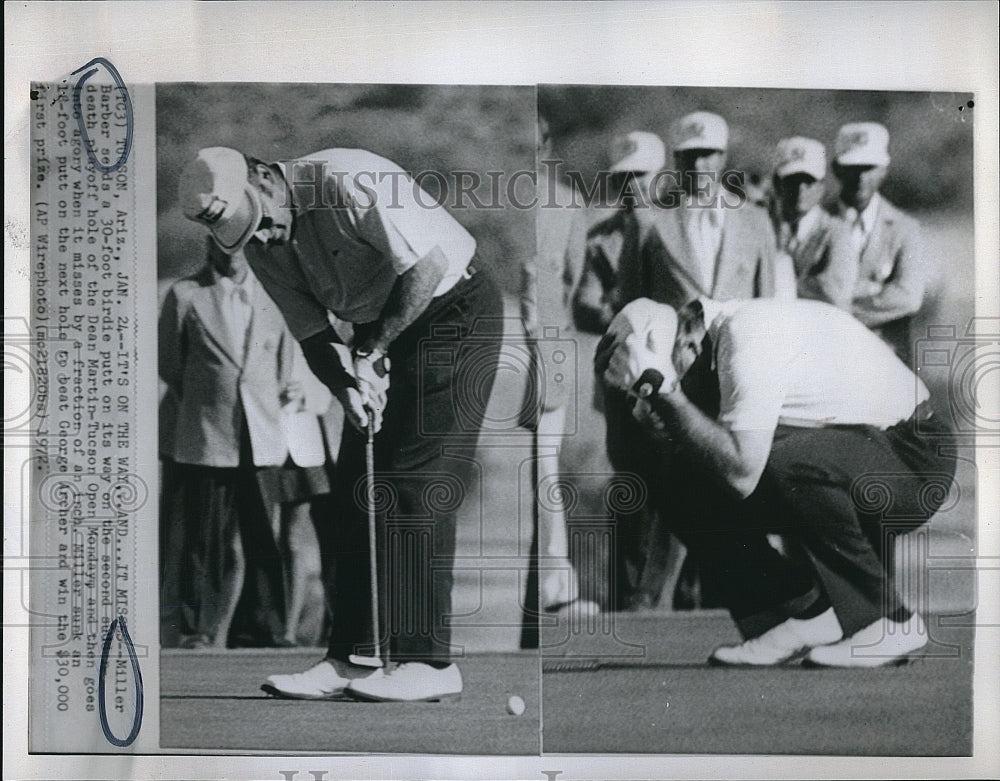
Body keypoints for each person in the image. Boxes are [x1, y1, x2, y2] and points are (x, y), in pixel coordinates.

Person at [178, 145, 502, 702]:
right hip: (381, 328)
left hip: (454, 309)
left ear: (265, 178)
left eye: (258, 223)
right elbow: (311, 333)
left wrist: (371, 353)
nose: (259, 239)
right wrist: (346, 386)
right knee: (355, 483)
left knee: (414, 480)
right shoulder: (260, 244)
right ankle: (354, 655)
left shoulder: (346, 181)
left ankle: (429, 660)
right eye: (242, 236)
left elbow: (426, 269)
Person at [597, 295, 955, 667]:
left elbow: (742, 473)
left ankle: (887, 621)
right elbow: (633, 466)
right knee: (675, 478)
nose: (660, 401)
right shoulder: (710, 347)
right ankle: (794, 614)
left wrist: (667, 394)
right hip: (865, 454)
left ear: (688, 344)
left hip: (915, 457)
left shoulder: (747, 337)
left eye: (674, 376)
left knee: (784, 464)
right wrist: (629, 396)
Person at [158, 238, 328, 649]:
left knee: (262, 536)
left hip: (263, 434)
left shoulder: (273, 293)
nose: (231, 249)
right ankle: (196, 629)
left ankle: (266, 627)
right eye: (222, 239)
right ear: (209, 244)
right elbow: (169, 365)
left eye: (241, 240)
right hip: (207, 435)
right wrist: (212, 402)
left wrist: (265, 400)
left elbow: (284, 362)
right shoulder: (184, 294)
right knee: (205, 540)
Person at [520, 115, 600, 620]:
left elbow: (573, 281)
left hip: (546, 348)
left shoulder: (568, 201)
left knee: (544, 467)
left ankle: (553, 584)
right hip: (494, 345)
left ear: (546, 146)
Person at [832, 122, 924, 364]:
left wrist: (836, 311)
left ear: (884, 169)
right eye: (853, 167)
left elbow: (908, 297)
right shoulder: (817, 221)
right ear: (836, 169)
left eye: (869, 167)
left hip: (885, 361)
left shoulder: (905, 229)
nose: (861, 177)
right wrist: (874, 292)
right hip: (826, 360)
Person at [770, 136, 856, 307]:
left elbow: (834, 291)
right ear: (777, 184)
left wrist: (777, 285)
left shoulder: (836, 232)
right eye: (792, 181)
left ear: (821, 186)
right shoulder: (766, 227)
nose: (800, 190)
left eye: (808, 182)